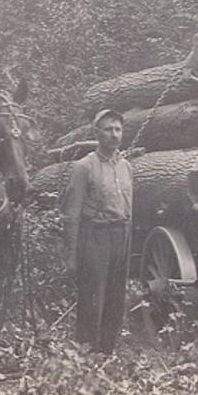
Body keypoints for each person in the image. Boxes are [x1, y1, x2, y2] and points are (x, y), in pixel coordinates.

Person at [61, 109, 133, 355]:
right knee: (93, 299)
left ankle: (107, 354)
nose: (114, 135)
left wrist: (126, 245)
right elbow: (71, 214)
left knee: (115, 299)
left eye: (118, 129)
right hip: (94, 236)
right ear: (97, 133)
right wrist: (71, 256)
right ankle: (86, 356)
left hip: (120, 236)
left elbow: (128, 209)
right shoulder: (84, 167)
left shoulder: (126, 167)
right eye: (108, 129)